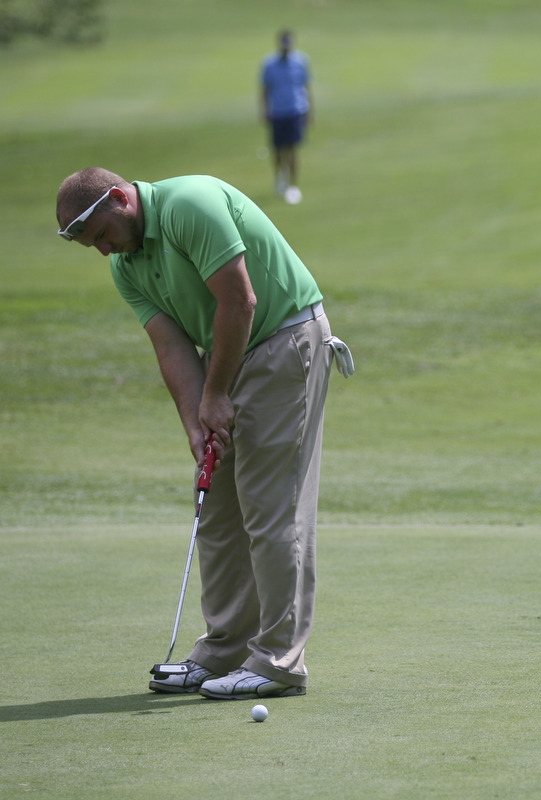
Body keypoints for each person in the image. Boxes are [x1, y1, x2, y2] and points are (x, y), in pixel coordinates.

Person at [55, 168, 354, 700]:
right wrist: (197, 423)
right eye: (90, 246)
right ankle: (224, 649)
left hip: (284, 338)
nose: (103, 251)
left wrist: (215, 395)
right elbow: (171, 348)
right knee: (216, 506)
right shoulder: (127, 266)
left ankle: (279, 661)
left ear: (121, 199)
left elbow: (240, 301)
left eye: (102, 235)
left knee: (270, 506)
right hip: (228, 352)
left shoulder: (188, 205)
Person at [260, 29, 312, 205]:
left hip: (295, 110)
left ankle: (293, 186)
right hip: (277, 112)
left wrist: (310, 111)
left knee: (293, 149)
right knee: (277, 150)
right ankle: (280, 179)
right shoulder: (269, 64)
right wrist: (264, 110)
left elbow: (306, 86)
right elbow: (265, 89)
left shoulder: (300, 61)